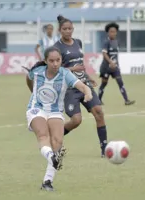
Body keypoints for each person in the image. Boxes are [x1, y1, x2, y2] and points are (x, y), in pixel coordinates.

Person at [25, 46, 93, 191]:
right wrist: (33, 92)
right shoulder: (36, 72)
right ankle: (52, 157)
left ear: (61, 60)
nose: (55, 64)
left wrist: (88, 93)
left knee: (58, 143)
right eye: (51, 61)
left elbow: (83, 86)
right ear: (45, 61)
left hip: (55, 111)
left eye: (58, 60)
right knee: (43, 135)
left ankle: (47, 182)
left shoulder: (65, 74)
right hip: (37, 108)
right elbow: (28, 78)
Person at [53, 15, 108, 157]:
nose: (67, 31)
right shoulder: (56, 48)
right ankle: (56, 135)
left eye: (70, 28)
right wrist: (71, 70)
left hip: (85, 85)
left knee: (99, 112)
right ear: (60, 30)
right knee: (76, 120)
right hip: (70, 89)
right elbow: (54, 70)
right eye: (64, 29)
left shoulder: (78, 42)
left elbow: (80, 65)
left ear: (73, 29)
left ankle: (104, 149)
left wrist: (88, 77)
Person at [98, 22, 135, 106]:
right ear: (108, 33)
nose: (113, 33)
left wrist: (116, 64)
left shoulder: (116, 42)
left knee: (120, 82)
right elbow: (104, 54)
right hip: (106, 67)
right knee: (104, 83)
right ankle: (98, 100)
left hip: (115, 67)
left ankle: (126, 100)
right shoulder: (106, 42)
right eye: (111, 31)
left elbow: (115, 55)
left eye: (114, 31)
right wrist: (110, 62)